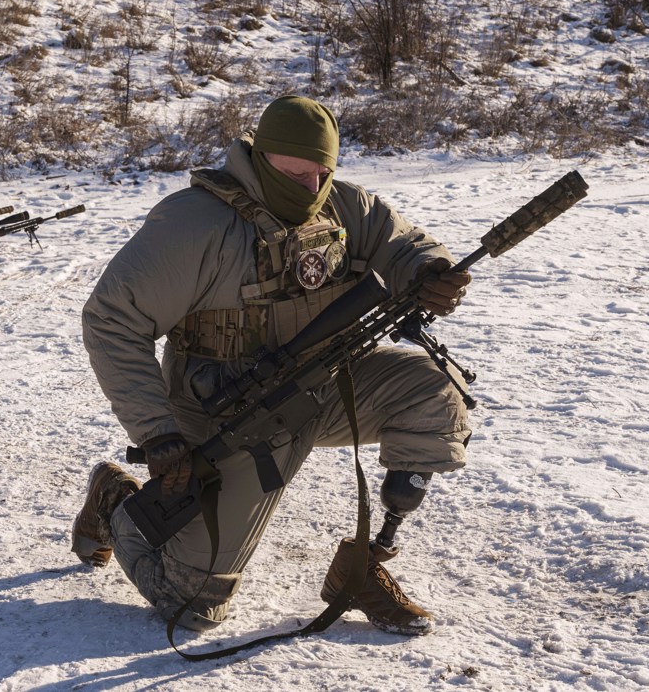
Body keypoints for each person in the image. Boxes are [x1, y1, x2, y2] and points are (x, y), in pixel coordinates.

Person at [74, 95, 473, 636]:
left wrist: (430, 270)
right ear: (261, 158)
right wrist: (157, 431)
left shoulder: (345, 206)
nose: (310, 189)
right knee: (191, 606)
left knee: (432, 391)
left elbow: (401, 242)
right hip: (231, 413)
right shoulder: (195, 224)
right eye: (294, 172)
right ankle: (113, 499)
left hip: (327, 386)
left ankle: (364, 565)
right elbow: (111, 320)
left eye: (321, 173)